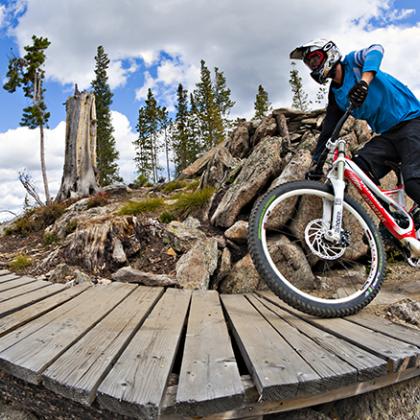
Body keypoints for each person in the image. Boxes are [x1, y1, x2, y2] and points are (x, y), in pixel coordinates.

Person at [289, 39, 420, 221]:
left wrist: (364, 82)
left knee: (414, 182)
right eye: (310, 64)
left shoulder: (353, 62)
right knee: (359, 171)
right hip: (387, 136)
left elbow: (376, 49)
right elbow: (329, 131)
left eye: (315, 59)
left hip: (412, 121)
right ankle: (392, 220)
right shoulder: (336, 95)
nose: (313, 66)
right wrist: (317, 164)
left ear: (330, 53)